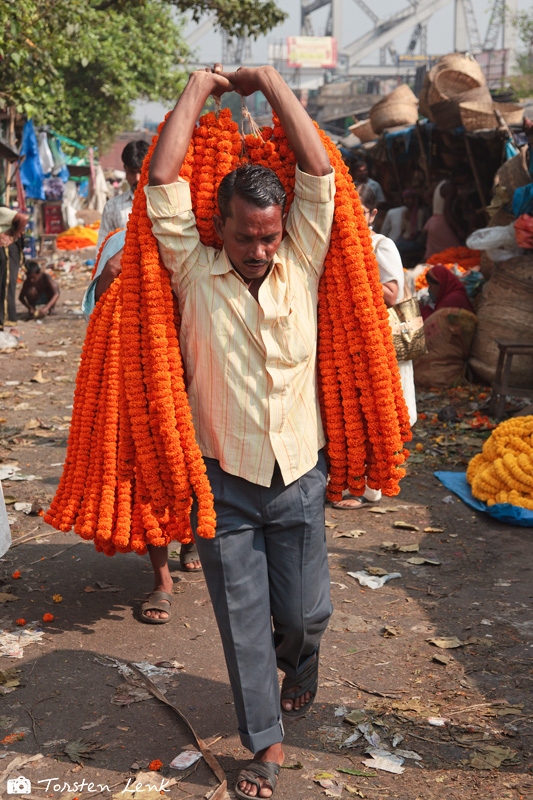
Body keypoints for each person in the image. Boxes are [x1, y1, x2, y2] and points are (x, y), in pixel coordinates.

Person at [146, 63, 335, 799]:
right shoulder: (193, 272)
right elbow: (160, 182)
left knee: (305, 613)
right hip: (220, 480)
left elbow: (316, 168)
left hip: (298, 474)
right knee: (244, 626)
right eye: (247, 236)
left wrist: (270, 83)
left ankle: (305, 662)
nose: (259, 249)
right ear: (218, 226)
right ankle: (266, 745)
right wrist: (199, 87)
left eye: (269, 235)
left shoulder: (304, 262)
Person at [81, 229, 203, 617]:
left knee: (196, 466)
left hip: (191, 369)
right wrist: (110, 274)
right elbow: (94, 308)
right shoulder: (118, 241)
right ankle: (161, 579)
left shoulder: (195, 232)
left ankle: (191, 539)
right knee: (146, 474)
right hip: (135, 381)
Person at [333, 184, 416, 510]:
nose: (355, 216)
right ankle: (364, 484)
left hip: (383, 342)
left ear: (372, 213)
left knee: (380, 412)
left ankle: (373, 486)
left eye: (361, 211)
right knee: (359, 412)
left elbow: (393, 293)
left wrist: (354, 274)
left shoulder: (381, 245)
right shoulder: (345, 242)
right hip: (360, 342)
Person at [96, 140, 150, 249]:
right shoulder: (112, 206)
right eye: (131, 172)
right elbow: (102, 249)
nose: (137, 178)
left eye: (141, 172)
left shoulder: (163, 202)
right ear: (125, 169)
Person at [424, 164, 472, 259]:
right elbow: (447, 211)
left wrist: (436, 207)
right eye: (465, 178)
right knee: (455, 252)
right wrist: (459, 230)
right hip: (442, 223)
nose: (466, 181)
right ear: (458, 176)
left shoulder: (442, 183)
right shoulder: (451, 188)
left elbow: (427, 195)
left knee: (436, 255)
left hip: (433, 221)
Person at [0, 206, 28, 328]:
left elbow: (24, 218)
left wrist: (14, 236)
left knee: (6, 286)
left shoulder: (2, 211)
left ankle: (9, 322)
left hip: (7, 249)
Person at [395, 189, 427, 268]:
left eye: (409, 198)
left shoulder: (419, 213)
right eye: (405, 199)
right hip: (405, 240)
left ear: (414, 200)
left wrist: (407, 240)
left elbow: (419, 232)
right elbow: (403, 230)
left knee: (398, 248)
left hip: (415, 241)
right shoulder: (404, 213)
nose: (406, 201)